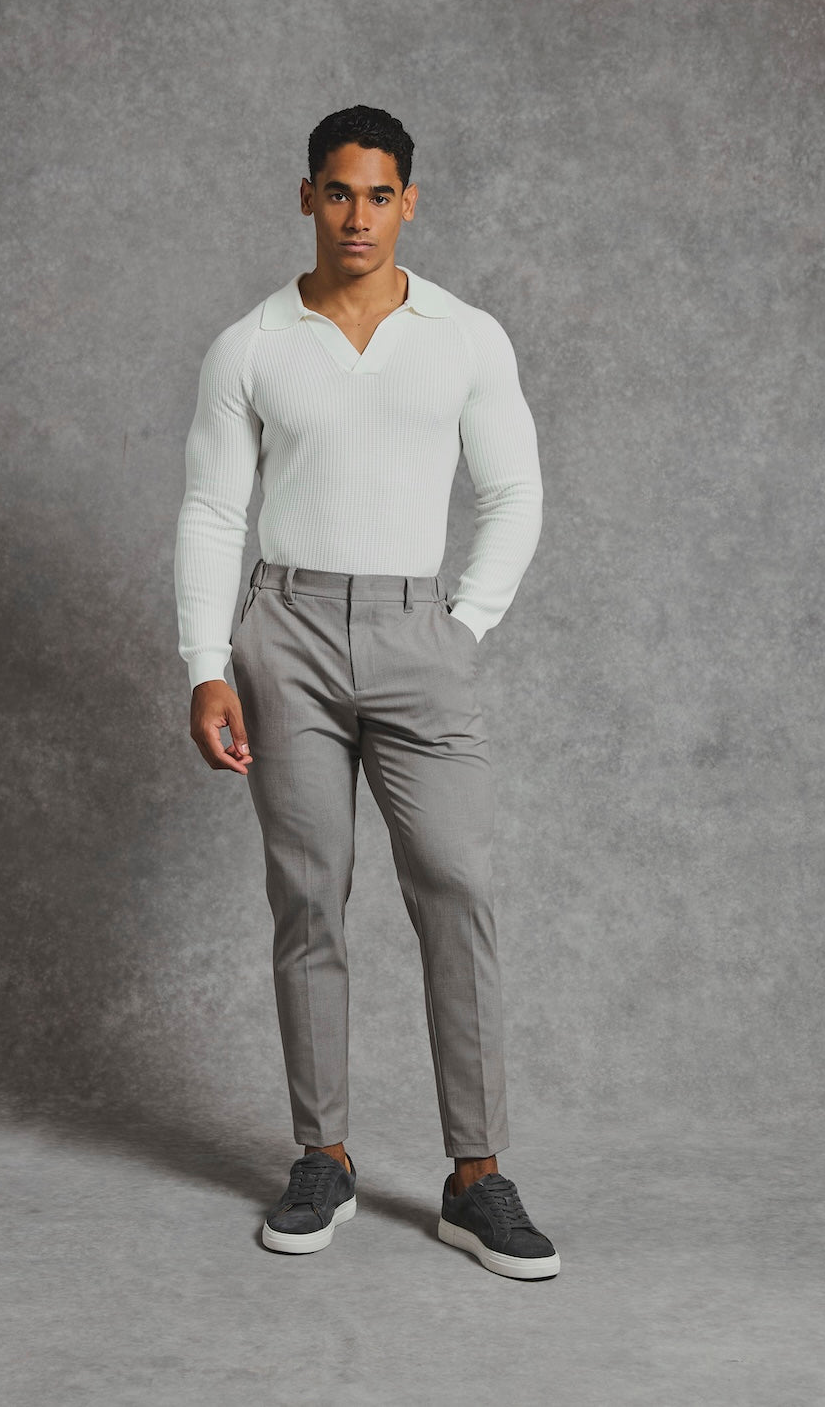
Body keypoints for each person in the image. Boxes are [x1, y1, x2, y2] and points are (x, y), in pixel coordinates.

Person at [173, 105, 559, 1280]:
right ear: (307, 197)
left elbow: (514, 492)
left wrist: (461, 627)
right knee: (309, 896)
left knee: (456, 885)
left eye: (378, 195)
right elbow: (213, 511)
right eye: (337, 192)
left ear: (408, 203)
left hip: (415, 631)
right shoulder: (251, 344)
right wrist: (204, 665)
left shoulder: (464, 337)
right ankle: (323, 1157)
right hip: (283, 634)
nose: (357, 216)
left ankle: (476, 1178)